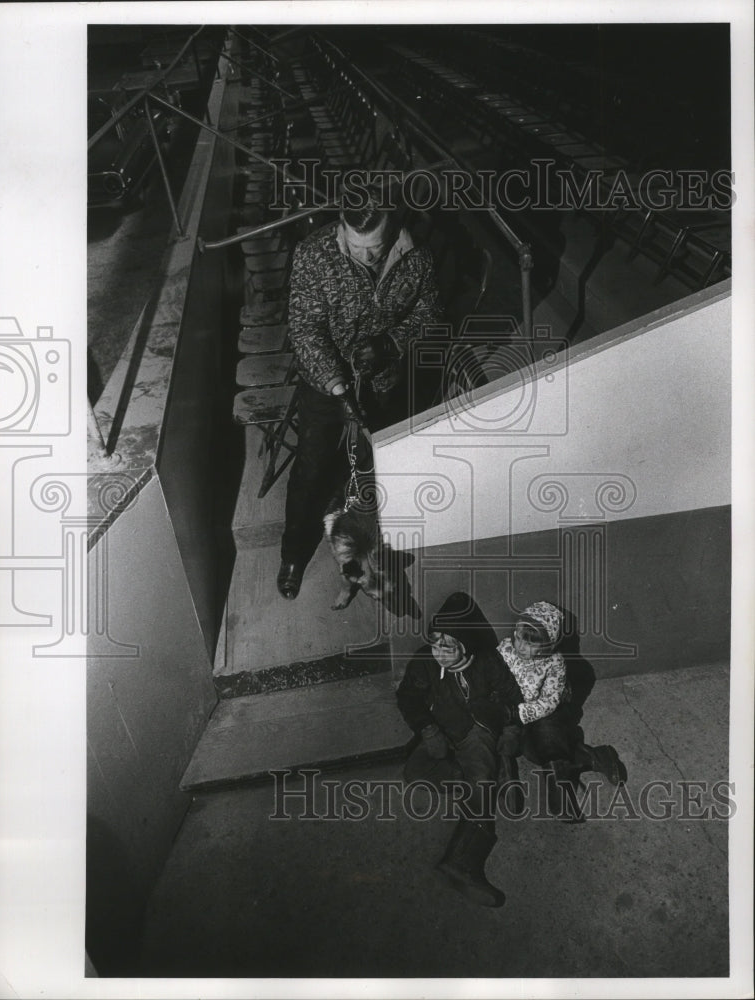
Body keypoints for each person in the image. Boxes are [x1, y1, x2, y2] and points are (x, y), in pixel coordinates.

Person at [277, 178, 443, 600]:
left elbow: (429, 311)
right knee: (312, 469)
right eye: (356, 247)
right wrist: (338, 387)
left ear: (394, 226)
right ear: (342, 229)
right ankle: (293, 555)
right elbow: (304, 328)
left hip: (383, 383)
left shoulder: (416, 253)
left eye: (377, 247)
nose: (367, 257)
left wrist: (391, 343)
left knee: (374, 474)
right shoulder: (315, 255)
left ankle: (372, 555)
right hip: (325, 386)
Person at [395, 591, 523, 907]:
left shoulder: (488, 663)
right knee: (415, 772)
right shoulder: (425, 663)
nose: (438, 652)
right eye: (435, 643)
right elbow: (408, 697)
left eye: (447, 646)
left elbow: (512, 695)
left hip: (478, 728)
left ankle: (464, 861)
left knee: (479, 775)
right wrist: (426, 728)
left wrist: (511, 729)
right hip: (445, 728)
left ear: (464, 645)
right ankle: (499, 776)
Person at [496, 601, 627, 822]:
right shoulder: (505, 650)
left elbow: (550, 700)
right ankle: (505, 775)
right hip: (508, 711)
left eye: (530, 644)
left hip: (540, 714)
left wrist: (521, 713)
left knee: (544, 747)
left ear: (547, 645)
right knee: (508, 742)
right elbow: (491, 675)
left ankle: (562, 794)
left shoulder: (554, 663)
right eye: (518, 638)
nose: (521, 647)